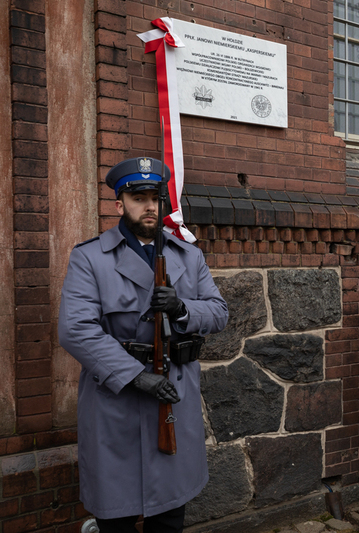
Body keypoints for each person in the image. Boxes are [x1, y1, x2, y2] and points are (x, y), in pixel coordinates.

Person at [58, 157, 228, 533]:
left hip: (172, 398)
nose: (149, 205)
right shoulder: (90, 258)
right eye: (138, 197)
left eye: (155, 197)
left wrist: (183, 308)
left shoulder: (189, 255)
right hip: (116, 401)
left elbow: (219, 312)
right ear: (120, 204)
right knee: (115, 517)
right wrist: (136, 376)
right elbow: (75, 329)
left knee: (168, 517)